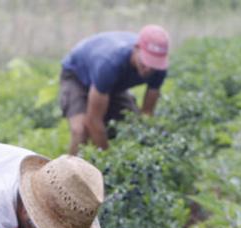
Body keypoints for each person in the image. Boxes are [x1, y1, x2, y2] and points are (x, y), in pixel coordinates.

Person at [59, 25, 170, 155]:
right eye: (145, 62)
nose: (148, 69)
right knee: (81, 130)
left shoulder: (158, 69)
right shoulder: (110, 63)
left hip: (111, 84)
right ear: (136, 49)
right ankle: (65, 173)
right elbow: (93, 120)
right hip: (77, 76)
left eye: (153, 64)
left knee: (132, 125)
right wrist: (108, 161)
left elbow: (147, 114)